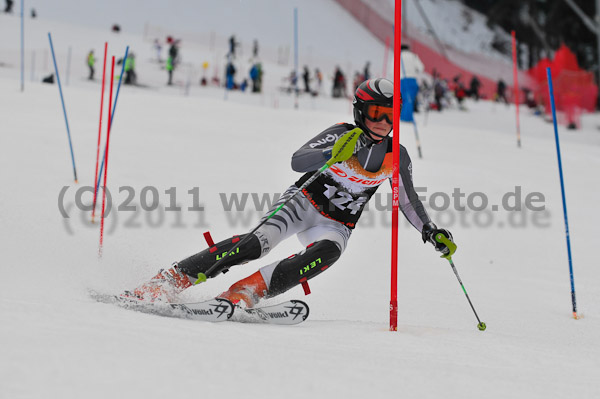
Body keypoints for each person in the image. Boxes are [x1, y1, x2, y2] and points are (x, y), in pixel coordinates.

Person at [122, 78, 456, 307]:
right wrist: (332, 154)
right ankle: (168, 281)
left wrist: (430, 230)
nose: (383, 121)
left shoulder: (396, 156)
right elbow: (299, 161)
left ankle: (246, 292)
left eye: (390, 114)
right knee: (254, 245)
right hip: (302, 203)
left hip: (337, 223)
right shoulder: (342, 134)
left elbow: (408, 200)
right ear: (361, 111)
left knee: (328, 253)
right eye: (376, 113)